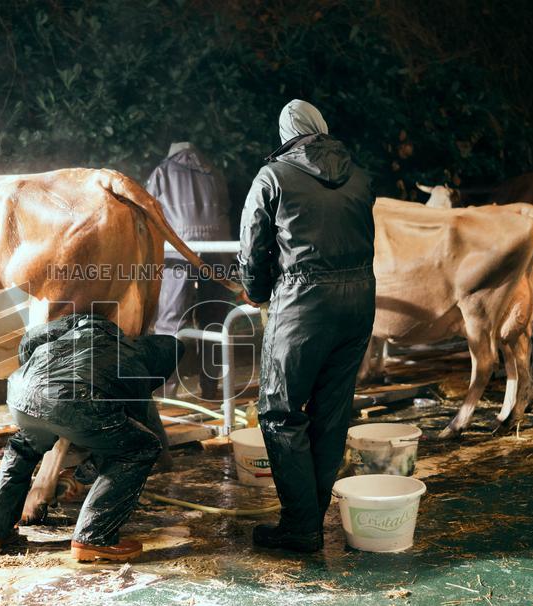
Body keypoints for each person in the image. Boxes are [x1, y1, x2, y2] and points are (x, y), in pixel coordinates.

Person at [238, 100, 375, 553]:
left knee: (280, 412)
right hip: (359, 302)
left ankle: (300, 527)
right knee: (331, 413)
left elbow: (253, 247)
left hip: (303, 302)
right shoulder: (360, 176)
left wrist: (256, 290)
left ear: (286, 135)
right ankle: (311, 518)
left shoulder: (273, 177)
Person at [0, 314, 184, 562]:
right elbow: (122, 439)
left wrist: (34, 377)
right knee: (142, 447)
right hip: (72, 402)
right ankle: (94, 537)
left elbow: (29, 339)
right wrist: (82, 475)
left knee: (22, 449)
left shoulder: (86, 324)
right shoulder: (137, 367)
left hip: (22, 392)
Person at [146, 142, 233, 400]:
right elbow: (225, 206)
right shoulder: (214, 171)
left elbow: (148, 212)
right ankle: (210, 388)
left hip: (179, 250)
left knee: (170, 321)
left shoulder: (161, 172)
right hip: (217, 248)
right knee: (213, 318)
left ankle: (166, 391)